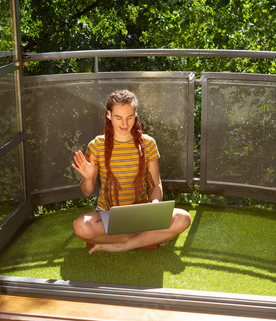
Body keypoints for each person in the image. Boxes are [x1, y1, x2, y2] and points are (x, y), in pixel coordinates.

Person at [71, 90, 191, 254]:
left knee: (183, 218)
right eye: (118, 117)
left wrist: (155, 208)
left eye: (129, 117)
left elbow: (156, 184)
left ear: (136, 115)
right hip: (107, 215)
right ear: (109, 115)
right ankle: (149, 238)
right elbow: (87, 191)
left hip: (141, 217)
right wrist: (87, 178)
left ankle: (122, 244)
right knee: (81, 226)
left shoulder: (148, 143)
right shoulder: (96, 145)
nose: (125, 124)